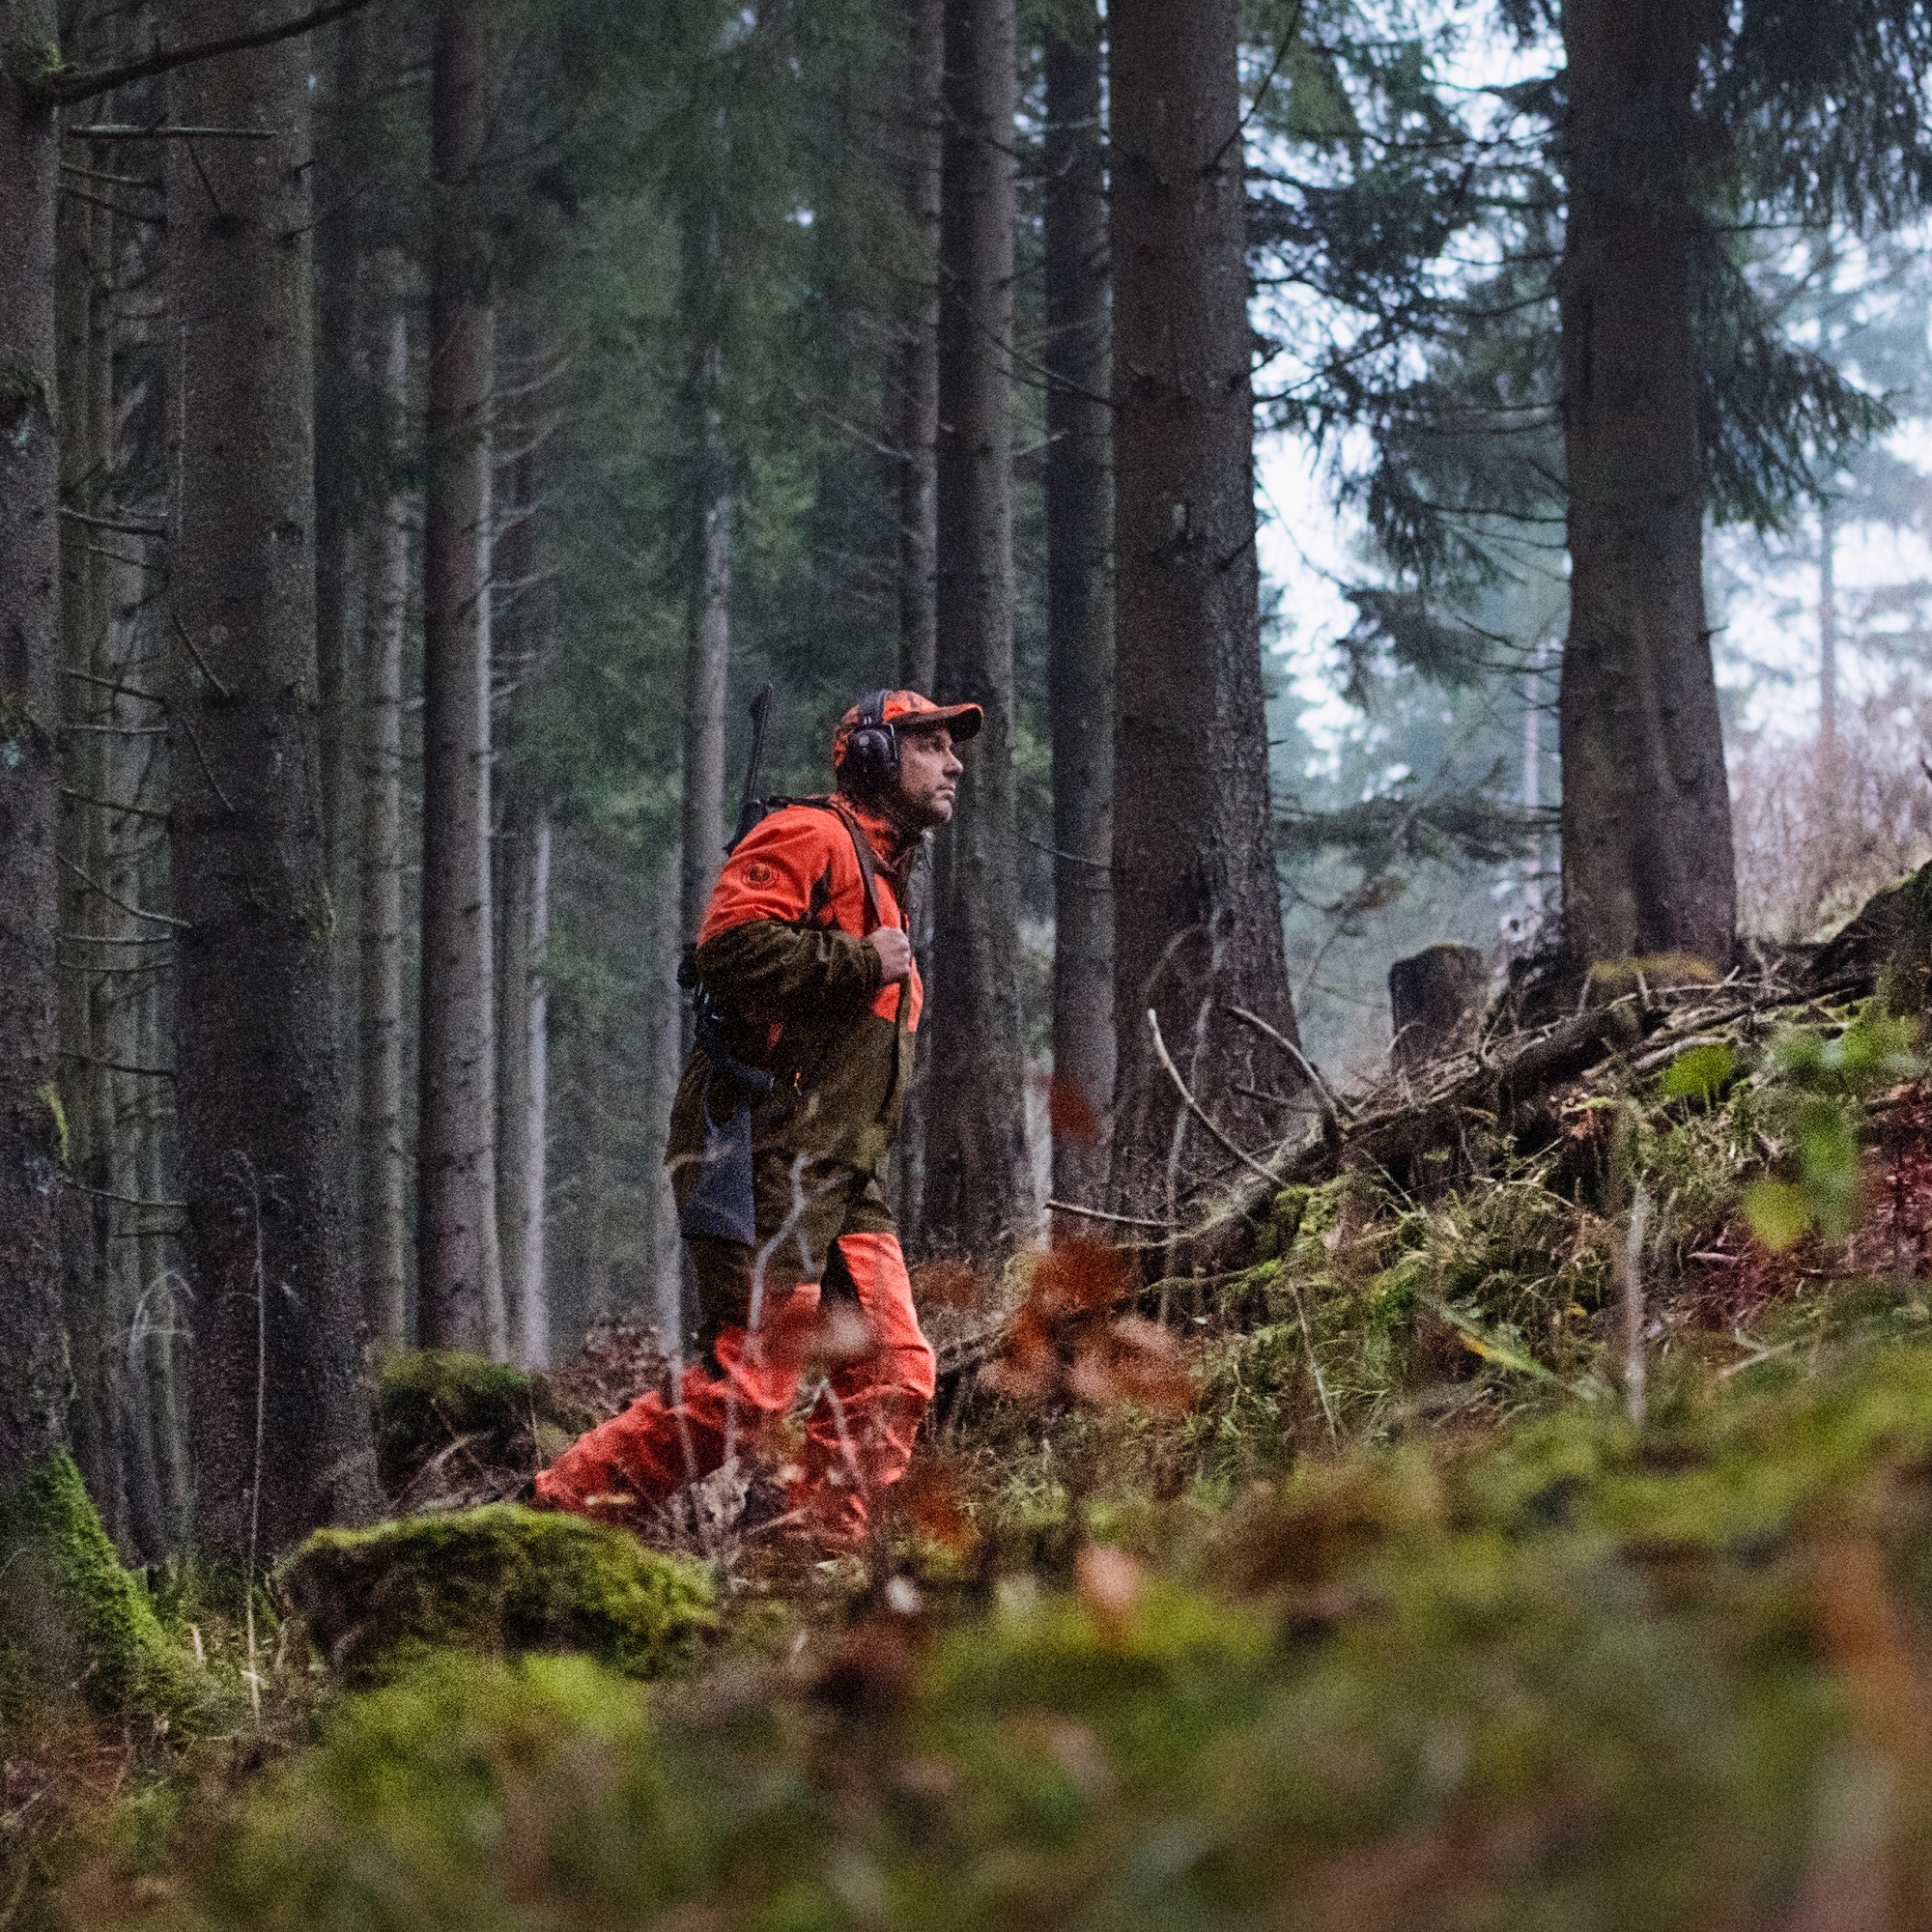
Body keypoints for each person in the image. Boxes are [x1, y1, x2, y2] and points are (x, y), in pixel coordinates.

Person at [535, 689, 979, 1549]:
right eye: (929, 745)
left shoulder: (883, 877)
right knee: (749, 1391)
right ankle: (548, 1523)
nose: (953, 762)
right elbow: (728, 953)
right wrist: (858, 961)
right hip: (757, 1151)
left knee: (894, 1372)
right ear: (875, 758)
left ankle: (804, 1558)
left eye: (950, 748)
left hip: (838, 1174)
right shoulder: (810, 836)